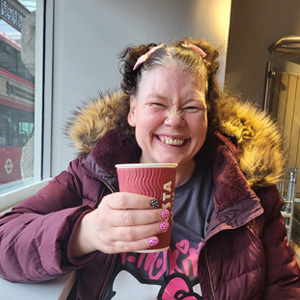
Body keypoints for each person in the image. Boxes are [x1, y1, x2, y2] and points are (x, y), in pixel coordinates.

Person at [0, 37, 299, 300]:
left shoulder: (251, 195)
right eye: (157, 104)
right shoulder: (89, 176)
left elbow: (285, 286)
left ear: (209, 117)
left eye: (192, 107)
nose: (174, 120)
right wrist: (86, 233)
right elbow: (6, 241)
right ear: (132, 111)